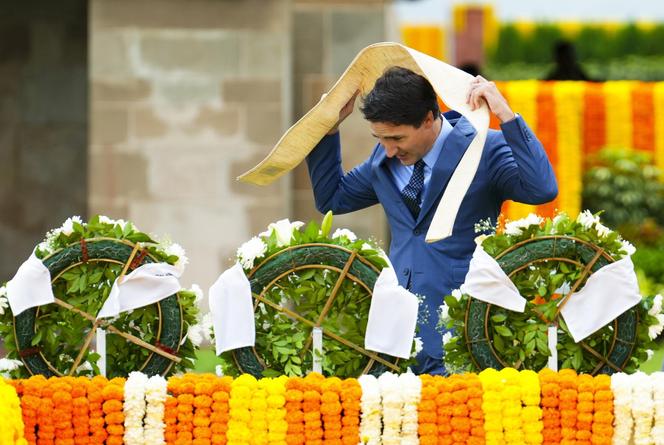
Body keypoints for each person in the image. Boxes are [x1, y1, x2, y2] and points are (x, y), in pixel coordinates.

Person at [306, 66, 558, 375]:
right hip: (395, 342)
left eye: (397, 137)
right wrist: (328, 127)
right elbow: (332, 198)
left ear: (428, 118)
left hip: (465, 332)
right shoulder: (381, 162)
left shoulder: (484, 148)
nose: (388, 149)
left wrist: (506, 115)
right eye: (380, 138)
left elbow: (542, 188)